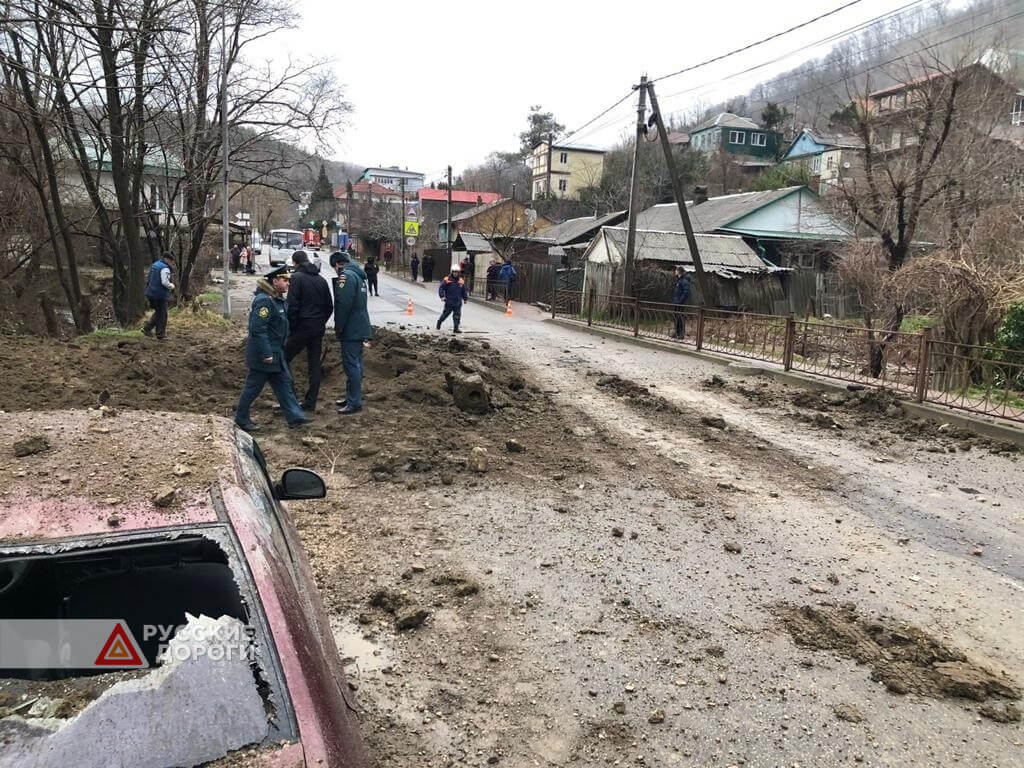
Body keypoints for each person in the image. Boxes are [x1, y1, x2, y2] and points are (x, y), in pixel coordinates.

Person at [234, 266, 312, 432]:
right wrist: (266, 353)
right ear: (275, 281)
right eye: (285, 280)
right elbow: (257, 329)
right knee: (252, 388)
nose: (288, 284)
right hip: (265, 356)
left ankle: (295, 417)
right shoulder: (265, 301)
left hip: (276, 354)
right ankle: (241, 418)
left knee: (284, 384)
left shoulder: (275, 299)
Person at [284, 250, 334, 411]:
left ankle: (289, 397)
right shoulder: (321, 280)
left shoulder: (296, 278)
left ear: (295, 263)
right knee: (314, 365)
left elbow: (292, 306)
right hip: (317, 328)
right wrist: (320, 322)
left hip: (302, 327)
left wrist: (291, 328)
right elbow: (329, 306)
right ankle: (310, 402)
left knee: (283, 359)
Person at [330, 251, 372, 415]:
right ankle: (352, 397)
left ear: (338, 264)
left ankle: (354, 402)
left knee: (351, 365)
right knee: (357, 364)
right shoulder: (358, 275)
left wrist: (339, 327)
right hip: (360, 325)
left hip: (351, 328)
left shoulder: (346, 277)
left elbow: (343, 304)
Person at [141, 253, 175, 340]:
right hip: (159, 294)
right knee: (163, 314)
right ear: (167, 259)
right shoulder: (165, 268)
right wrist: (171, 285)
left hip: (151, 292)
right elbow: (164, 282)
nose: (171, 263)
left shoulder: (155, 265)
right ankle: (160, 334)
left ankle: (147, 329)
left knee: (159, 313)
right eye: (171, 261)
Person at [436, 265, 468, 334]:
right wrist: (442, 296)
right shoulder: (447, 279)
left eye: (456, 272)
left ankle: (456, 328)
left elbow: (463, 291)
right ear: (452, 272)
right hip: (449, 302)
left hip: (458, 302)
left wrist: (465, 298)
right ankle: (439, 321)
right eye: (454, 272)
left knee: (457, 316)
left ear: (458, 273)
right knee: (445, 314)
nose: (455, 273)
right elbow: (441, 288)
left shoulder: (461, 281)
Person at [672, 265, 692, 339]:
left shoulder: (684, 280)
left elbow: (686, 292)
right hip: (677, 302)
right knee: (676, 317)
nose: (675, 272)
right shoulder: (679, 280)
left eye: (676, 270)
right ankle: (676, 332)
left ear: (679, 271)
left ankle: (681, 334)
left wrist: (680, 301)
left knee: (680, 318)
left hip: (681, 303)